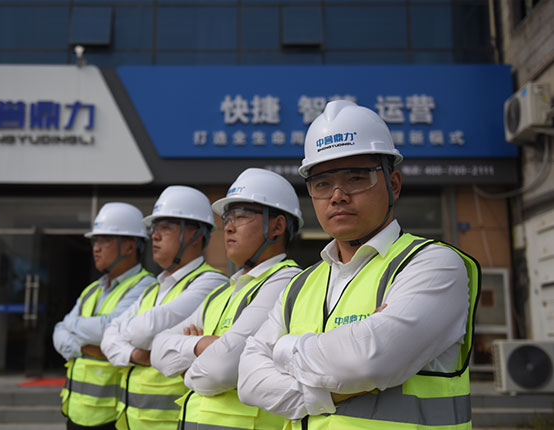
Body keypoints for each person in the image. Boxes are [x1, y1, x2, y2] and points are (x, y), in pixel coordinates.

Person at [237, 100, 481, 430]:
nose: (337, 195)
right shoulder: (299, 286)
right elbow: (248, 380)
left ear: (394, 184)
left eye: (355, 178)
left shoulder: (433, 264)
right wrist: (329, 388)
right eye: (322, 183)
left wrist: (283, 348)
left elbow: (369, 361)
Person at [151, 168, 304, 430]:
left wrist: (186, 370)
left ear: (277, 226)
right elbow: (158, 348)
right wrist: (200, 345)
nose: (229, 226)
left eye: (241, 216)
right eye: (227, 218)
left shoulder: (286, 281)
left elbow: (222, 369)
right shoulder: (222, 293)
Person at [100, 185, 228, 430]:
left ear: (195, 235)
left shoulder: (210, 283)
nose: (155, 236)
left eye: (166, 227)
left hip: (171, 423)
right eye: (154, 228)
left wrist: (128, 334)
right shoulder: (153, 289)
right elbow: (108, 337)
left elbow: (145, 331)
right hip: (131, 422)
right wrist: (135, 355)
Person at [53, 202, 157, 430]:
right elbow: (58, 331)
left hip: (113, 415)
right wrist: (83, 348)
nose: (96, 248)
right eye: (95, 241)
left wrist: (73, 326)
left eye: (105, 240)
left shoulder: (146, 287)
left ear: (129, 247)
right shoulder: (92, 290)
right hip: (75, 412)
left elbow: (108, 330)